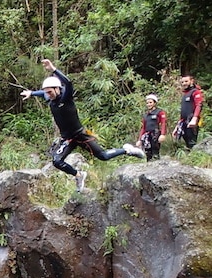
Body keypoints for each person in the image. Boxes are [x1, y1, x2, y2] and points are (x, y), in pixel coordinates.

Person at [20, 59, 145, 192]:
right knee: (57, 161)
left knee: (103, 156)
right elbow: (43, 93)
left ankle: (127, 150)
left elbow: (68, 83)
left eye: (50, 92)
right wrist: (32, 93)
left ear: (57, 89)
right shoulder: (50, 98)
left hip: (80, 135)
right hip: (68, 139)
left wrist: (53, 70)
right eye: (46, 92)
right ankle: (79, 176)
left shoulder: (65, 98)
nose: (48, 95)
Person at [173, 74, 204, 149]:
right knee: (186, 141)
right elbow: (183, 111)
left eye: (186, 81)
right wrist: (177, 126)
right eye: (182, 82)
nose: (184, 83)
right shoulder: (185, 94)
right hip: (184, 121)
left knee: (192, 141)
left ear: (191, 81)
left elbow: (199, 105)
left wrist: (195, 118)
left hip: (192, 120)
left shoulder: (195, 92)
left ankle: (195, 158)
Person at [135, 94, 167, 160]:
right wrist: (139, 140)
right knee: (148, 153)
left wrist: (162, 134)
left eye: (150, 102)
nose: (149, 104)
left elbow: (163, 123)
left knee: (155, 152)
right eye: (147, 103)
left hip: (155, 134)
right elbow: (143, 128)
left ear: (155, 103)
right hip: (147, 136)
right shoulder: (145, 115)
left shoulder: (160, 112)